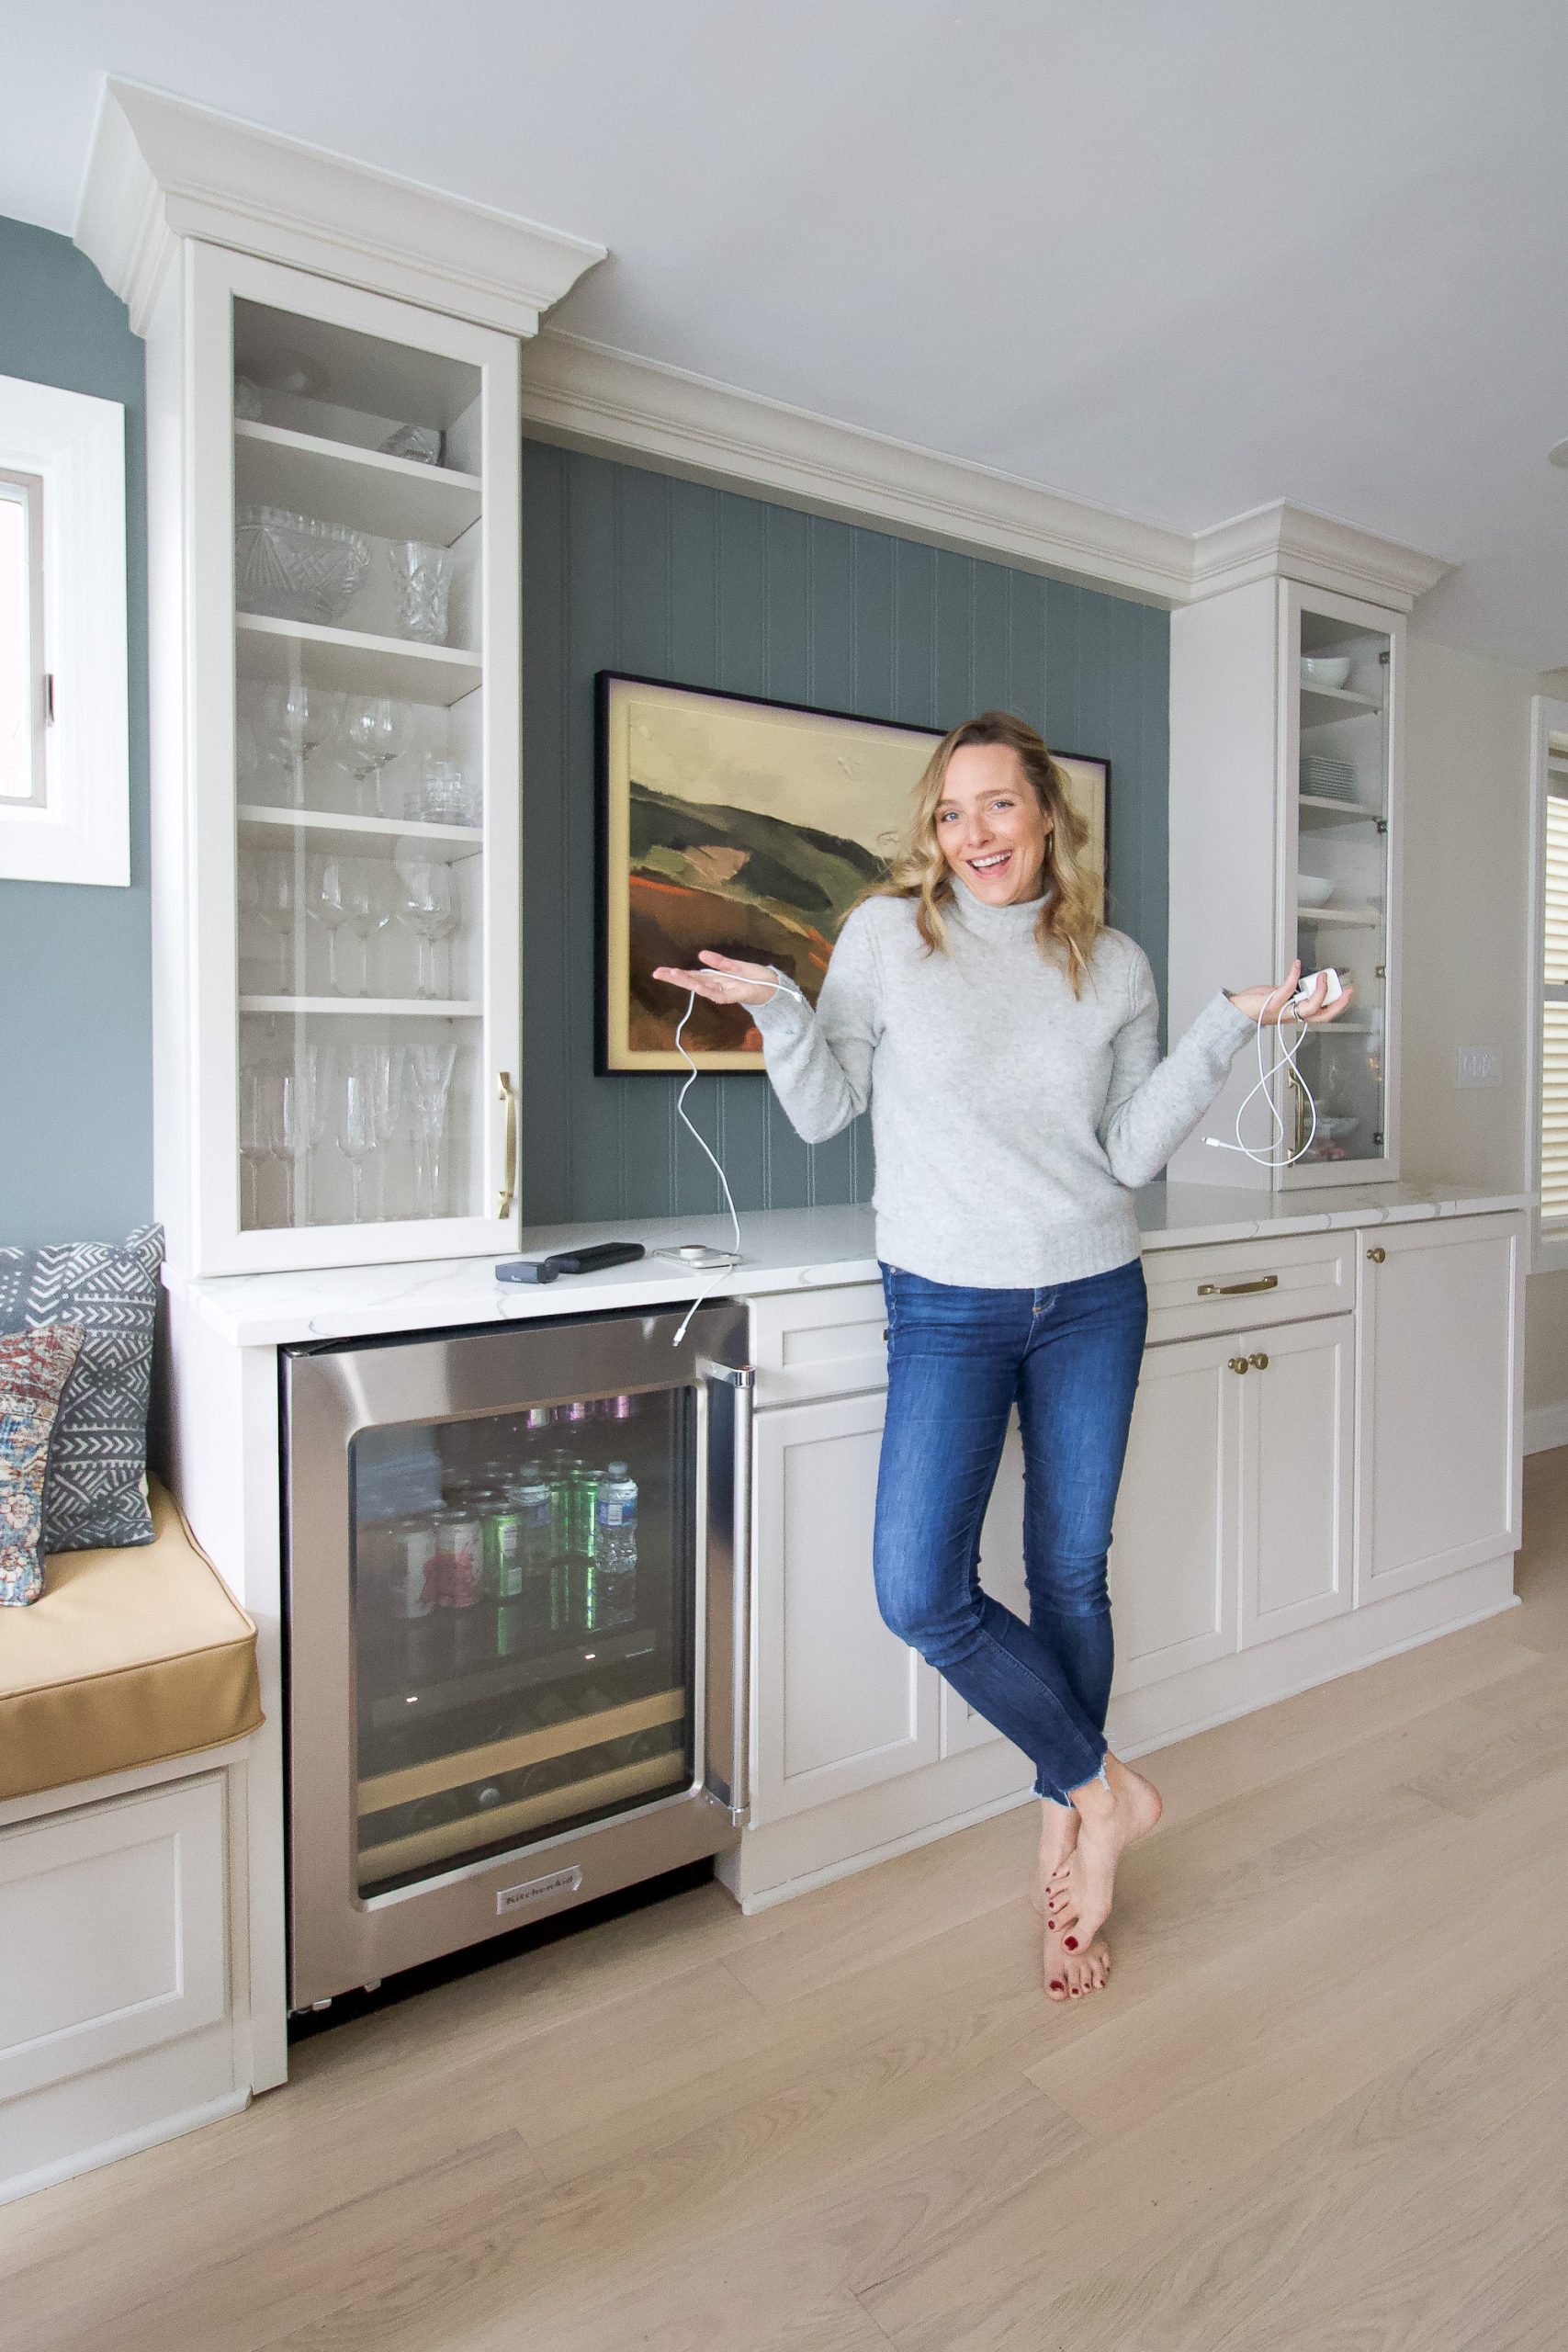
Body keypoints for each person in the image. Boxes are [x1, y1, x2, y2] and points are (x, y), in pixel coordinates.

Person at [653, 708, 1353, 2004]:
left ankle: (1070, 1846)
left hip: (1094, 1290)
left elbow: (1134, 1152)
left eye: (1000, 807)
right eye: (952, 811)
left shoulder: (1117, 963)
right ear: (935, 828)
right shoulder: (884, 938)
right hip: (945, 1301)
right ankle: (1101, 1790)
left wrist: (1231, 1022)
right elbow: (823, 1114)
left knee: (1067, 1573)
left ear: (1046, 820)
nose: (974, 833)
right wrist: (783, 1011)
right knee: (919, 1588)